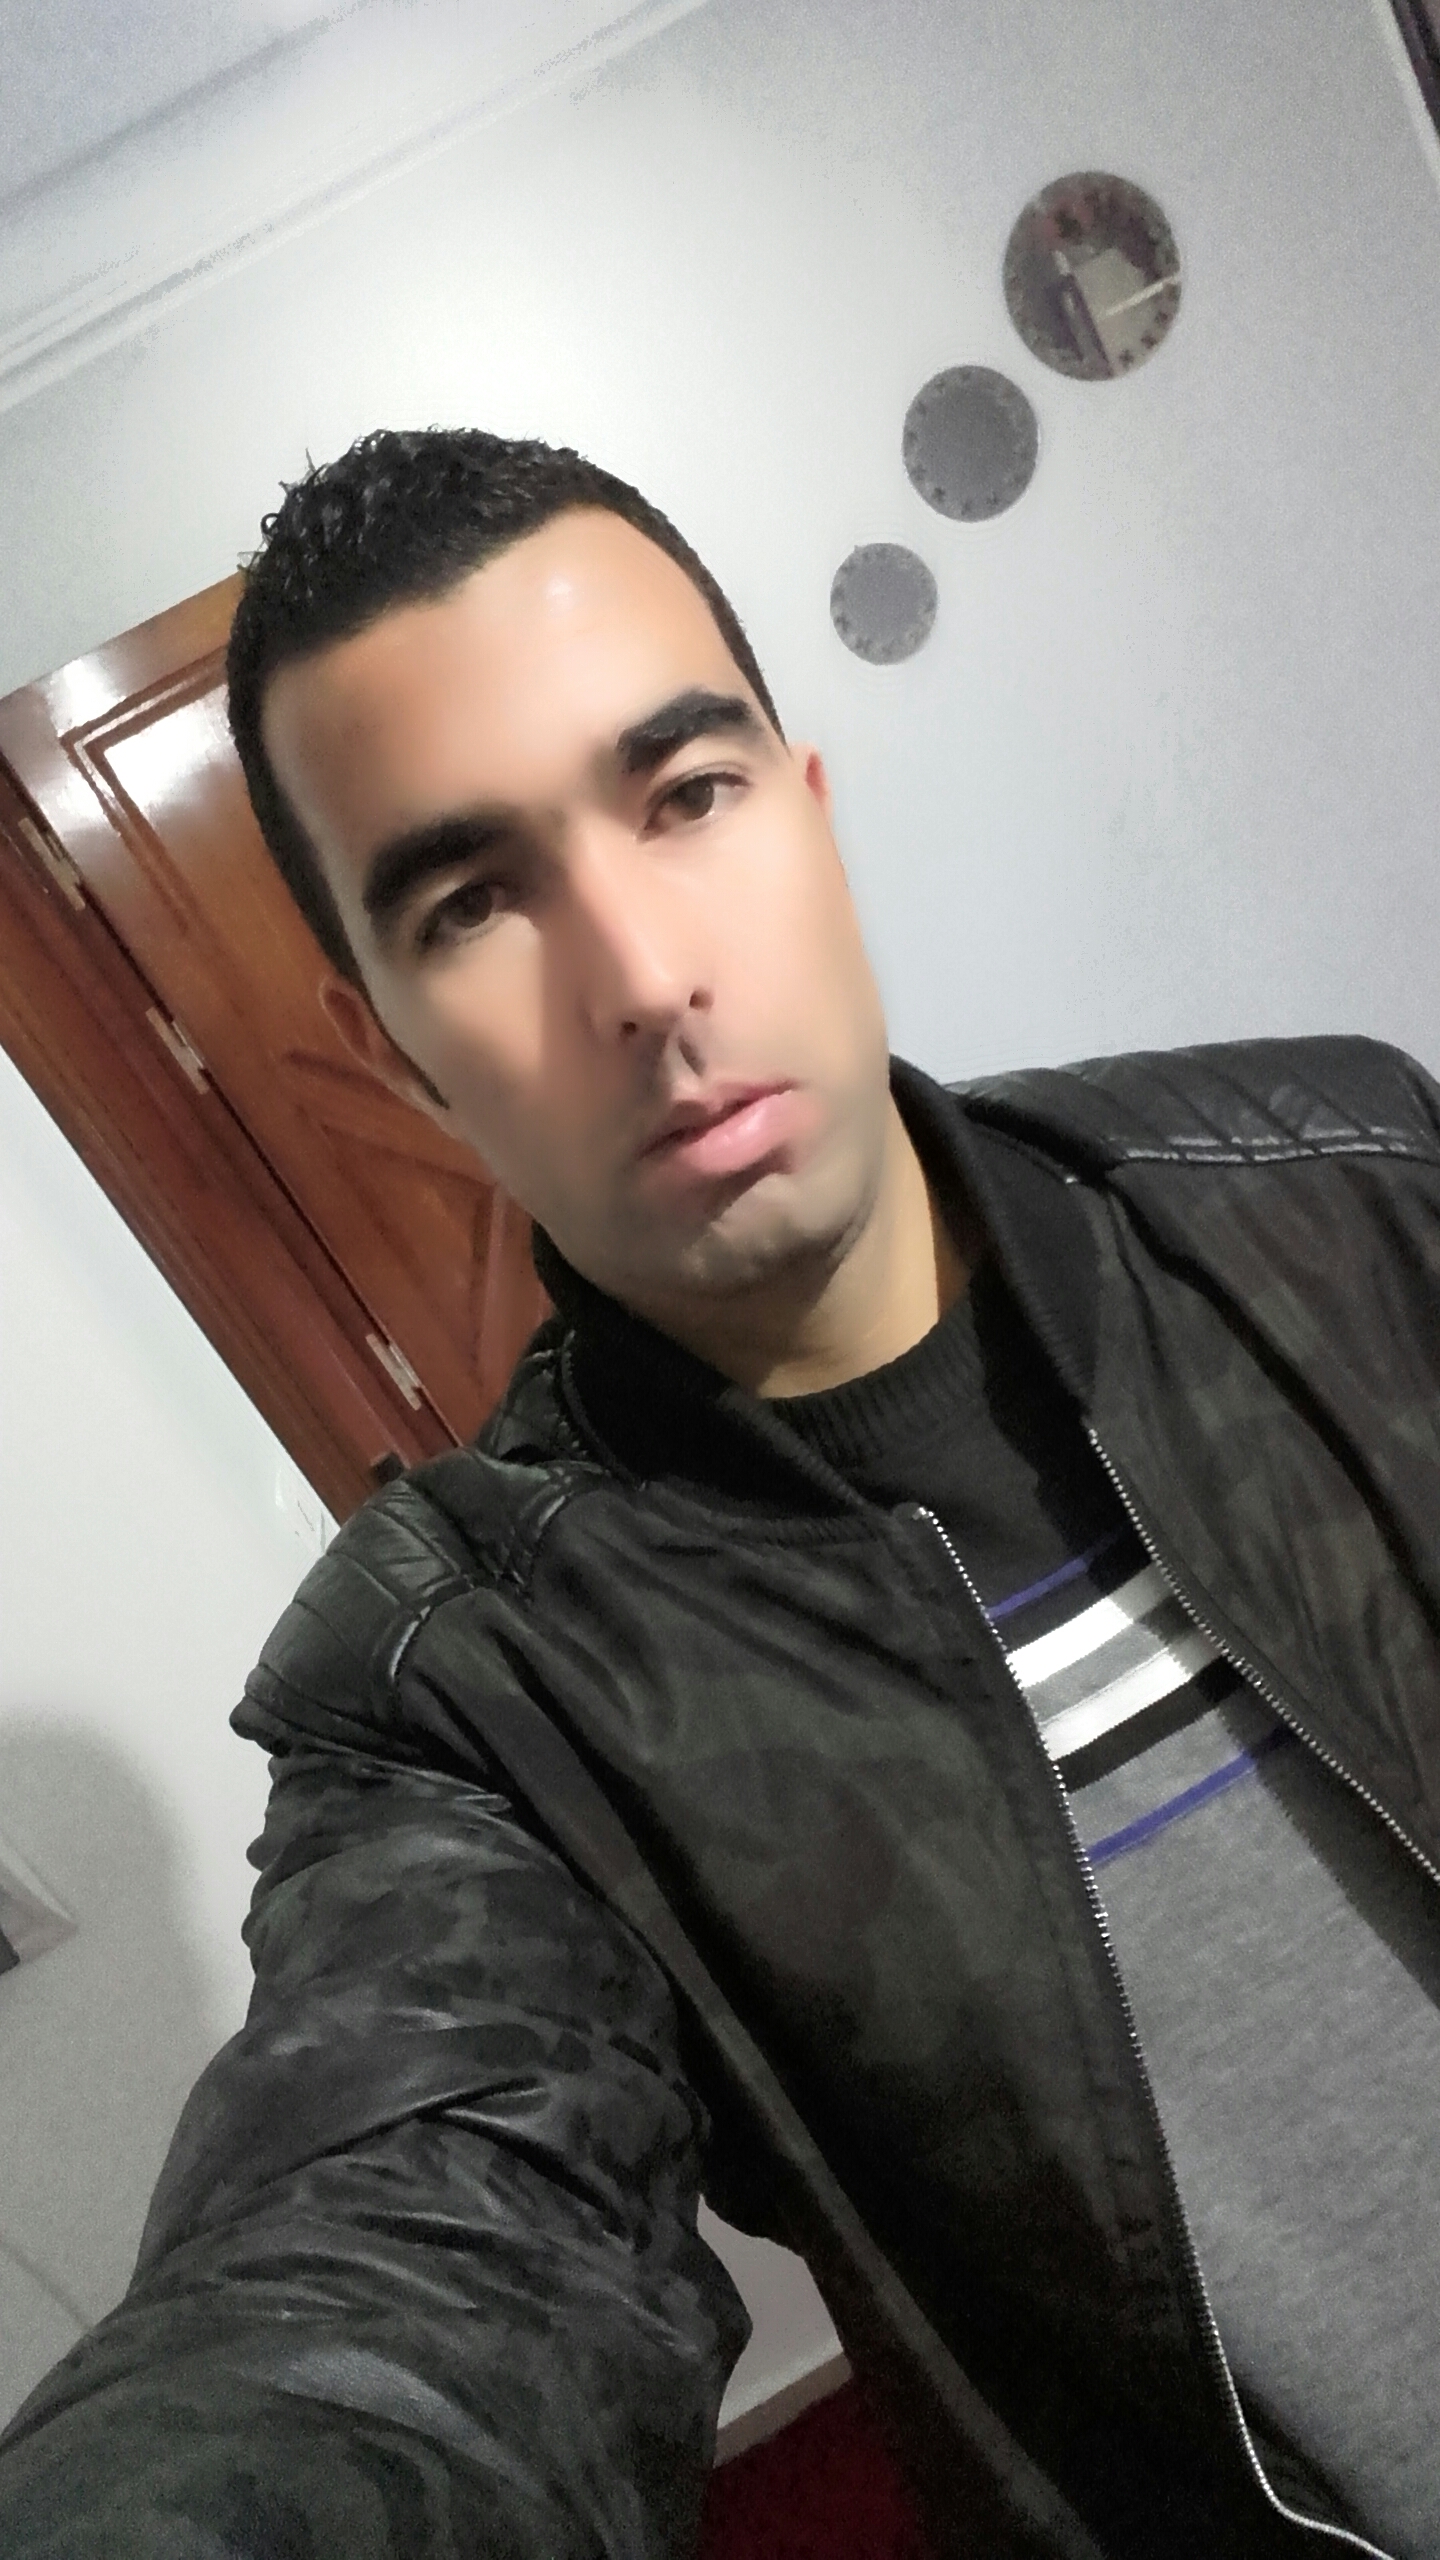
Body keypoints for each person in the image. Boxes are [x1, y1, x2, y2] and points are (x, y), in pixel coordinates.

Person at [1, 427, 1438, 2560]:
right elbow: (405, 2259)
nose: (643, 976)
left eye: (684, 793)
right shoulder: (475, 1697)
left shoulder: (1348, 1179)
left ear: (812, 813)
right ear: (392, 1051)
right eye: (472, 901)